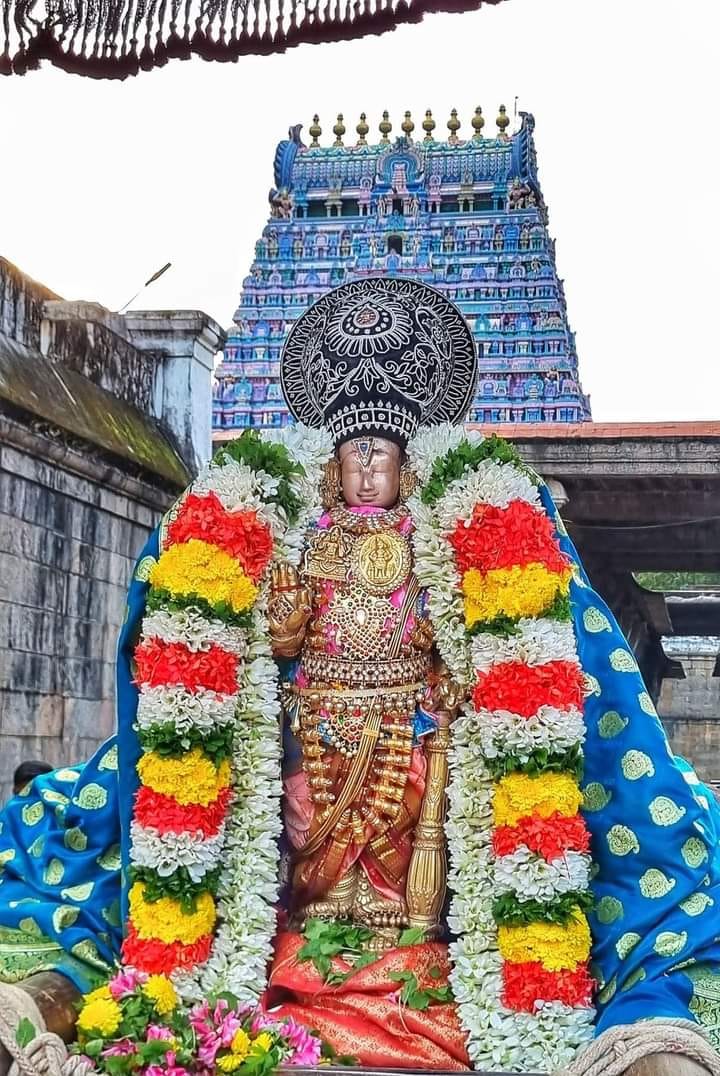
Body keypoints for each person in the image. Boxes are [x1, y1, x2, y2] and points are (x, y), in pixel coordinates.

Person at [0, 278, 719, 1075]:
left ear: (408, 467)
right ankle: (309, 947)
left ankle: (412, 952)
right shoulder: (304, 535)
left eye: (382, 455)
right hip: (316, 722)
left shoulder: (439, 533)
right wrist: (281, 628)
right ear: (331, 466)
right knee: (305, 826)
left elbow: (469, 628)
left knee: (411, 828)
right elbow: (277, 636)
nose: (368, 468)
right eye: (355, 455)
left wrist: (451, 673)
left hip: (409, 726)